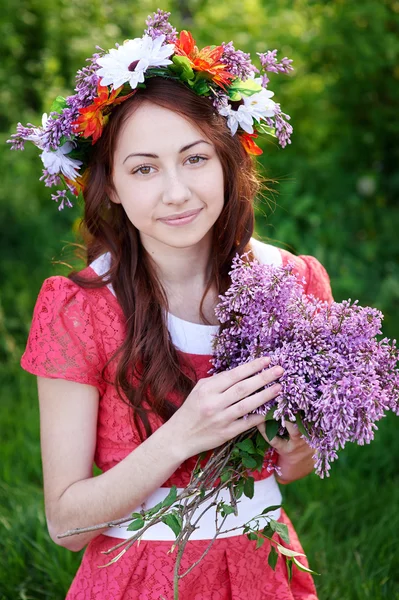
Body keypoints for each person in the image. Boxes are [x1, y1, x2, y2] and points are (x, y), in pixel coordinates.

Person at [13, 10, 333, 600]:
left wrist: (295, 446)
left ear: (227, 160)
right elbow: (65, 524)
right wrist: (184, 434)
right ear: (109, 184)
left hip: (265, 567)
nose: (177, 192)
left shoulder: (291, 281)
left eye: (195, 158)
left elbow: (294, 467)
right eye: (143, 169)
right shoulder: (80, 307)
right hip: (137, 577)